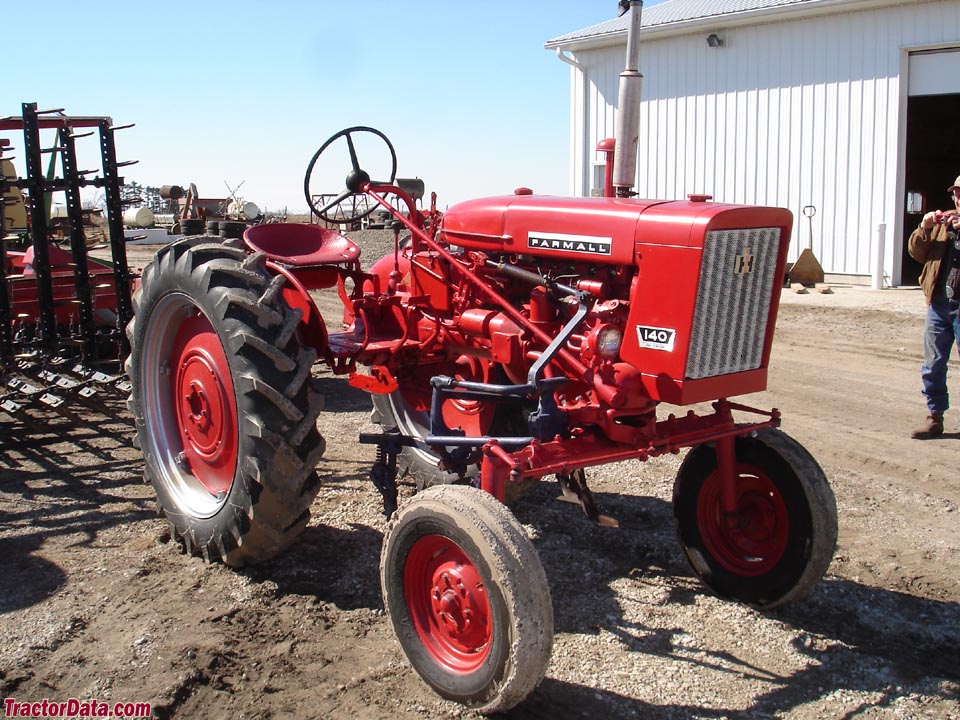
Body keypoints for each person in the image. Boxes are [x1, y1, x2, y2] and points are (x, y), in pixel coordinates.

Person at [908, 175, 960, 438]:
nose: (959, 199)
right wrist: (924, 227)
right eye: (957, 194)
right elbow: (917, 253)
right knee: (934, 363)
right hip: (940, 303)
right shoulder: (943, 224)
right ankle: (934, 417)